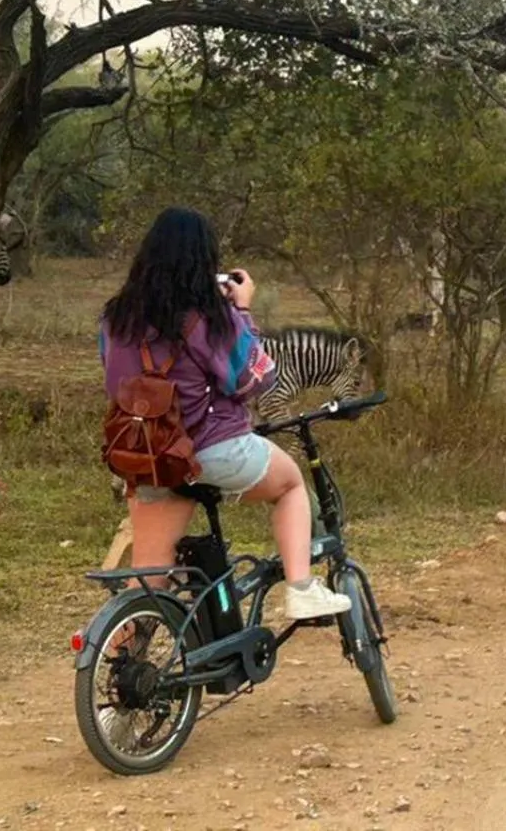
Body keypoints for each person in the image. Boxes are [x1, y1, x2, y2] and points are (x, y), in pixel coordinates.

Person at [100, 206, 350, 620]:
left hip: (148, 456)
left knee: (147, 579)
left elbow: (114, 381)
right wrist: (242, 312)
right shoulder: (207, 319)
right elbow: (257, 378)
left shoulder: (115, 317)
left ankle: (121, 661)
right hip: (212, 451)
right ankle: (302, 587)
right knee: (290, 487)